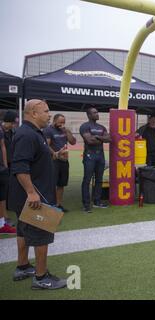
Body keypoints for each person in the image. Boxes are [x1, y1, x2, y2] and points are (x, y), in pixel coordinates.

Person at [9, 99, 66, 289]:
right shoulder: (26, 134)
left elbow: (36, 159)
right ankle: (41, 278)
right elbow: (19, 167)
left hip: (28, 195)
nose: (49, 115)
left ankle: (23, 266)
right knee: (41, 234)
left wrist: (56, 155)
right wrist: (32, 192)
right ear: (33, 113)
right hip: (33, 197)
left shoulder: (33, 132)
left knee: (23, 231)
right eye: (46, 111)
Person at [80, 107, 111, 213]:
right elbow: (89, 141)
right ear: (89, 115)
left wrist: (97, 137)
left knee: (99, 180)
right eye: (94, 113)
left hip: (100, 156)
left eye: (97, 112)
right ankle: (86, 204)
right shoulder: (84, 126)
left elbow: (109, 139)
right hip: (89, 156)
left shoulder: (101, 127)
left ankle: (97, 201)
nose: (97, 114)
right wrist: (102, 138)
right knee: (87, 180)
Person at [44, 114, 76, 213]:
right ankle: (50, 205)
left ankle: (58, 205)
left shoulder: (64, 130)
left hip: (64, 161)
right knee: (52, 184)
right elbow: (46, 145)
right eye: (60, 122)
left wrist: (67, 131)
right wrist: (55, 154)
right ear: (54, 120)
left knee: (61, 184)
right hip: (54, 161)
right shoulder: (48, 130)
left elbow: (73, 142)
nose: (62, 124)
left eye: (63, 122)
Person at [0, 122, 15, 234]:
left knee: (1, 196)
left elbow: (2, 146)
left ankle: (2, 224)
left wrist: (5, 165)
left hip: (2, 168)